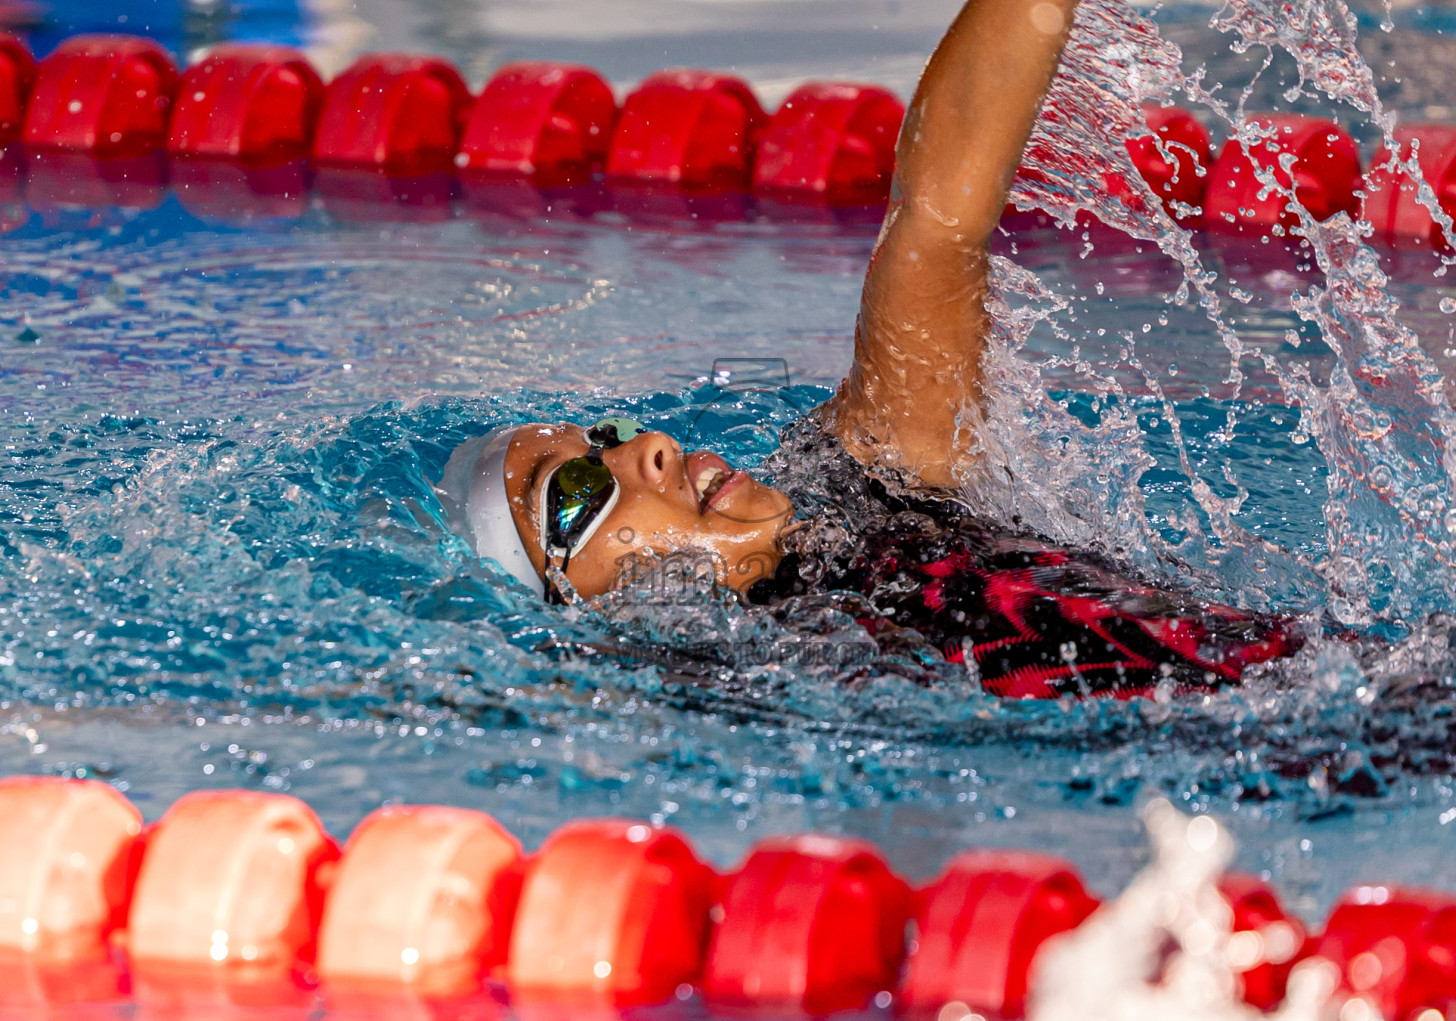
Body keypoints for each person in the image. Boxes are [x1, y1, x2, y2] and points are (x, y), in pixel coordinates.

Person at [442, 0, 1302, 698]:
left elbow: (936, 224)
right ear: (570, 607)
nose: (652, 450)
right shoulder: (748, 698)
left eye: (607, 438)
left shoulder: (867, 485)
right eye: (579, 490)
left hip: (1327, 692)